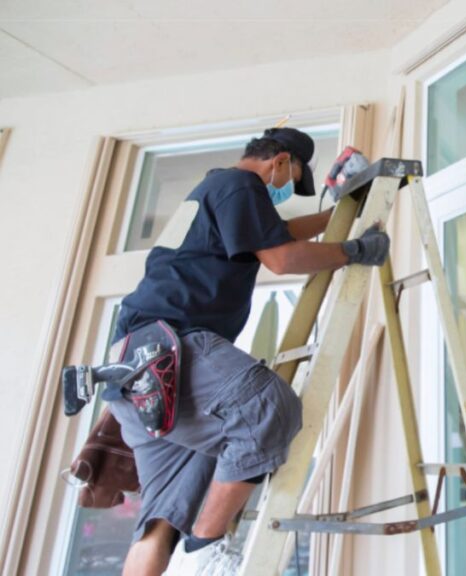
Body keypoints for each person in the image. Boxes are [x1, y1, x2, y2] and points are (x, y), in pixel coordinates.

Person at [106, 127, 389, 575]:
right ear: (279, 161)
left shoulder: (213, 191)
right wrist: (350, 251)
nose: (286, 188)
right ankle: (205, 549)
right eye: (292, 177)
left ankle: (190, 544)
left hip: (137, 369)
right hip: (169, 353)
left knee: (161, 521)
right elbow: (281, 257)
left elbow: (283, 233)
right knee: (266, 409)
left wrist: (340, 214)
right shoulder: (240, 185)